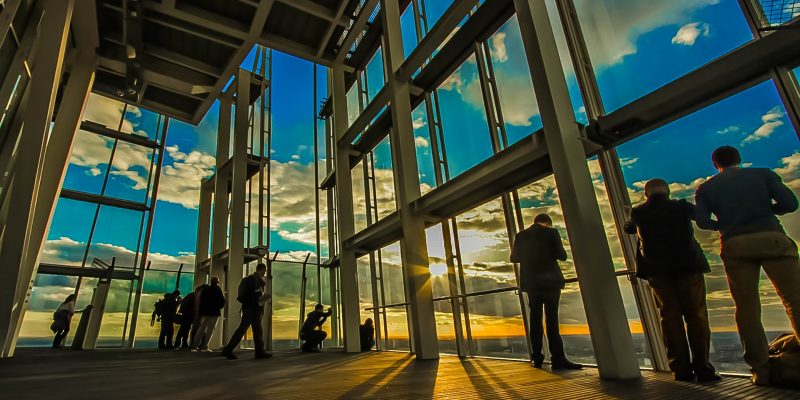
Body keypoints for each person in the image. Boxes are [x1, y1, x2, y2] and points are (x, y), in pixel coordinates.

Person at [695, 145, 800, 386]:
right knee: (794, 300)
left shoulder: (707, 188)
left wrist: (723, 225)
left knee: (746, 308)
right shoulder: (763, 175)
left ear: (715, 164)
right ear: (739, 159)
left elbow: (702, 221)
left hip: (735, 244)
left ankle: (760, 370)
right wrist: (767, 210)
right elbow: (790, 204)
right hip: (771, 237)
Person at [624, 178, 720, 382]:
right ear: (667, 192)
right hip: (688, 266)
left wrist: (629, 215)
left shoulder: (639, 212)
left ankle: (680, 369)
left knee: (669, 318)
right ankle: (703, 368)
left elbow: (629, 229)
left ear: (646, 194)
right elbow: (702, 218)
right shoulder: (681, 207)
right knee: (696, 316)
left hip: (657, 271)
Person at [511, 213, 581, 370]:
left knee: (535, 320)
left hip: (532, 283)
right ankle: (558, 358)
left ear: (535, 222)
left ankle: (537, 358)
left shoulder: (521, 235)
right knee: (552, 321)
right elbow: (562, 256)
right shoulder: (551, 233)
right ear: (547, 223)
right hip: (550, 282)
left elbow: (514, 258)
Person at [222, 263, 272, 360]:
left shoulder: (256, 281)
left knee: (256, 330)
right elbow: (244, 296)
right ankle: (228, 350)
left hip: (253, 309)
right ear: (261, 269)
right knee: (244, 329)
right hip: (251, 309)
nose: (264, 273)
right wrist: (259, 299)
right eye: (264, 271)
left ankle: (259, 351)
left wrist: (260, 299)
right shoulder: (252, 281)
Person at [193, 277, 226, 351]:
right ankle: (205, 345)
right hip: (214, 312)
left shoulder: (205, 290)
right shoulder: (218, 289)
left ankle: (195, 345)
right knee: (210, 330)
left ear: (211, 282)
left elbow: (201, 301)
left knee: (201, 329)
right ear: (217, 282)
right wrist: (219, 307)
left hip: (205, 312)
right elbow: (222, 300)